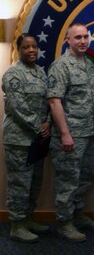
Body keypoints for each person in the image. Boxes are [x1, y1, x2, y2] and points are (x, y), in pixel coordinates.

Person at [47, 22, 94, 242]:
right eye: (77, 37)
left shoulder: (88, 64)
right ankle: (64, 222)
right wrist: (64, 134)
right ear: (67, 40)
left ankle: (77, 215)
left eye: (85, 37)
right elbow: (54, 101)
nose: (82, 41)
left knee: (85, 177)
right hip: (70, 134)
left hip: (88, 132)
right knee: (68, 180)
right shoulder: (61, 66)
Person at [2, 34, 51, 243]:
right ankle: (17, 224)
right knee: (19, 184)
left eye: (34, 47)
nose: (31, 50)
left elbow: (50, 100)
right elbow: (16, 106)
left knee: (35, 182)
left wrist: (48, 122)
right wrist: (38, 126)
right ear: (19, 49)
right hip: (18, 139)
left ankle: (29, 218)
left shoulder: (41, 72)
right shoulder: (13, 74)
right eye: (26, 47)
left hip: (37, 138)